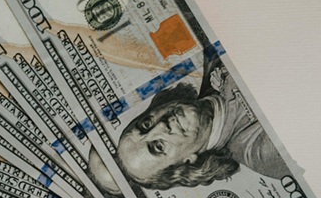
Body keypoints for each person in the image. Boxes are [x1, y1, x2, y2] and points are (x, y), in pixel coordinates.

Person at [112, 66, 291, 191]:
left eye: (145, 125)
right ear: (188, 162)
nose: (160, 125)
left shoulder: (212, 60)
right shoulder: (262, 151)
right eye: (158, 146)